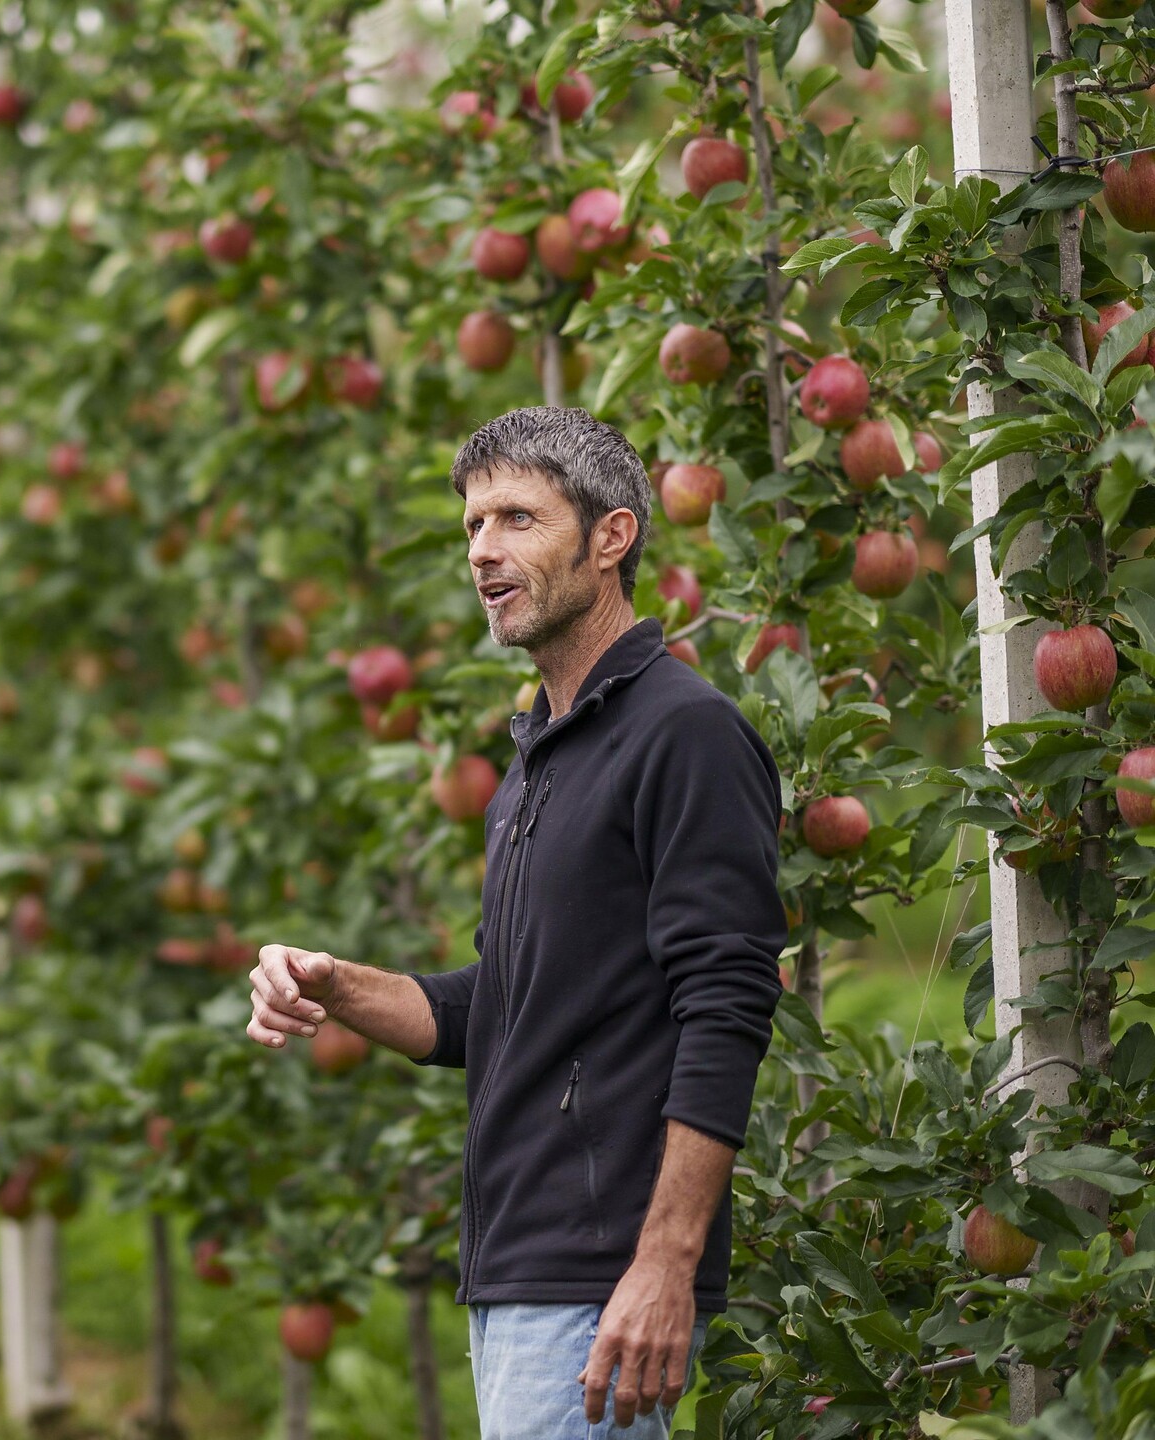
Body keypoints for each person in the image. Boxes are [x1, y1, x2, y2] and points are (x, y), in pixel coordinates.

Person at [246, 408, 786, 1440]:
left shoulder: (685, 733)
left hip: (601, 1277)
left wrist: (663, 1265)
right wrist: (335, 983)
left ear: (611, 536)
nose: (482, 549)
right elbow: (495, 1010)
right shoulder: (539, 760)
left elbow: (727, 1005)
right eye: (470, 525)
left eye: (515, 518)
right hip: (521, 1267)